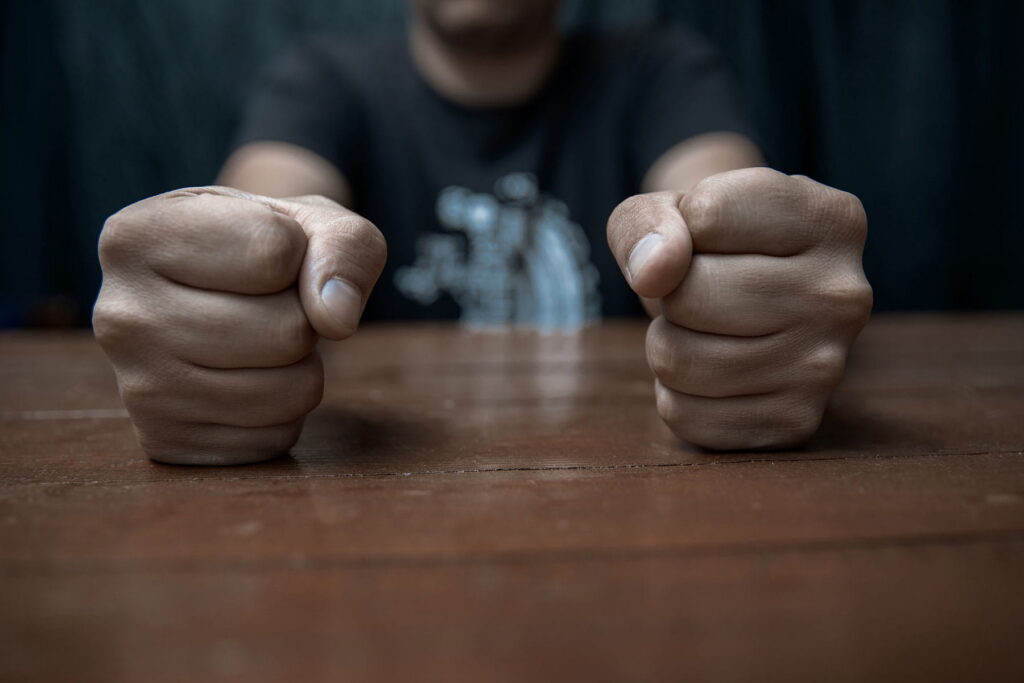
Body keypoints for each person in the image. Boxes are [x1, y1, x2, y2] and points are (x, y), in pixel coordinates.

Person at [92, 0, 872, 465]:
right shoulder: (322, 83)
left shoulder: (662, 70)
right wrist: (232, 270)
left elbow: (721, 204)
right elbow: (265, 214)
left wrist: (758, 266)